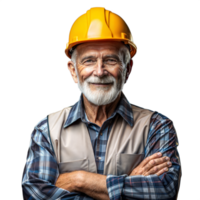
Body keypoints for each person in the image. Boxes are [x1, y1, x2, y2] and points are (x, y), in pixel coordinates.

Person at [20, 6, 182, 200]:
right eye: (88, 61)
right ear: (73, 71)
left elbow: (164, 190)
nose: (99, 71)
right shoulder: (46, 130)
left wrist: (78, 180)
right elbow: (35, 195)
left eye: (110, 60)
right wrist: (129, 183)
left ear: (128, 68)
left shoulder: (158, 126)